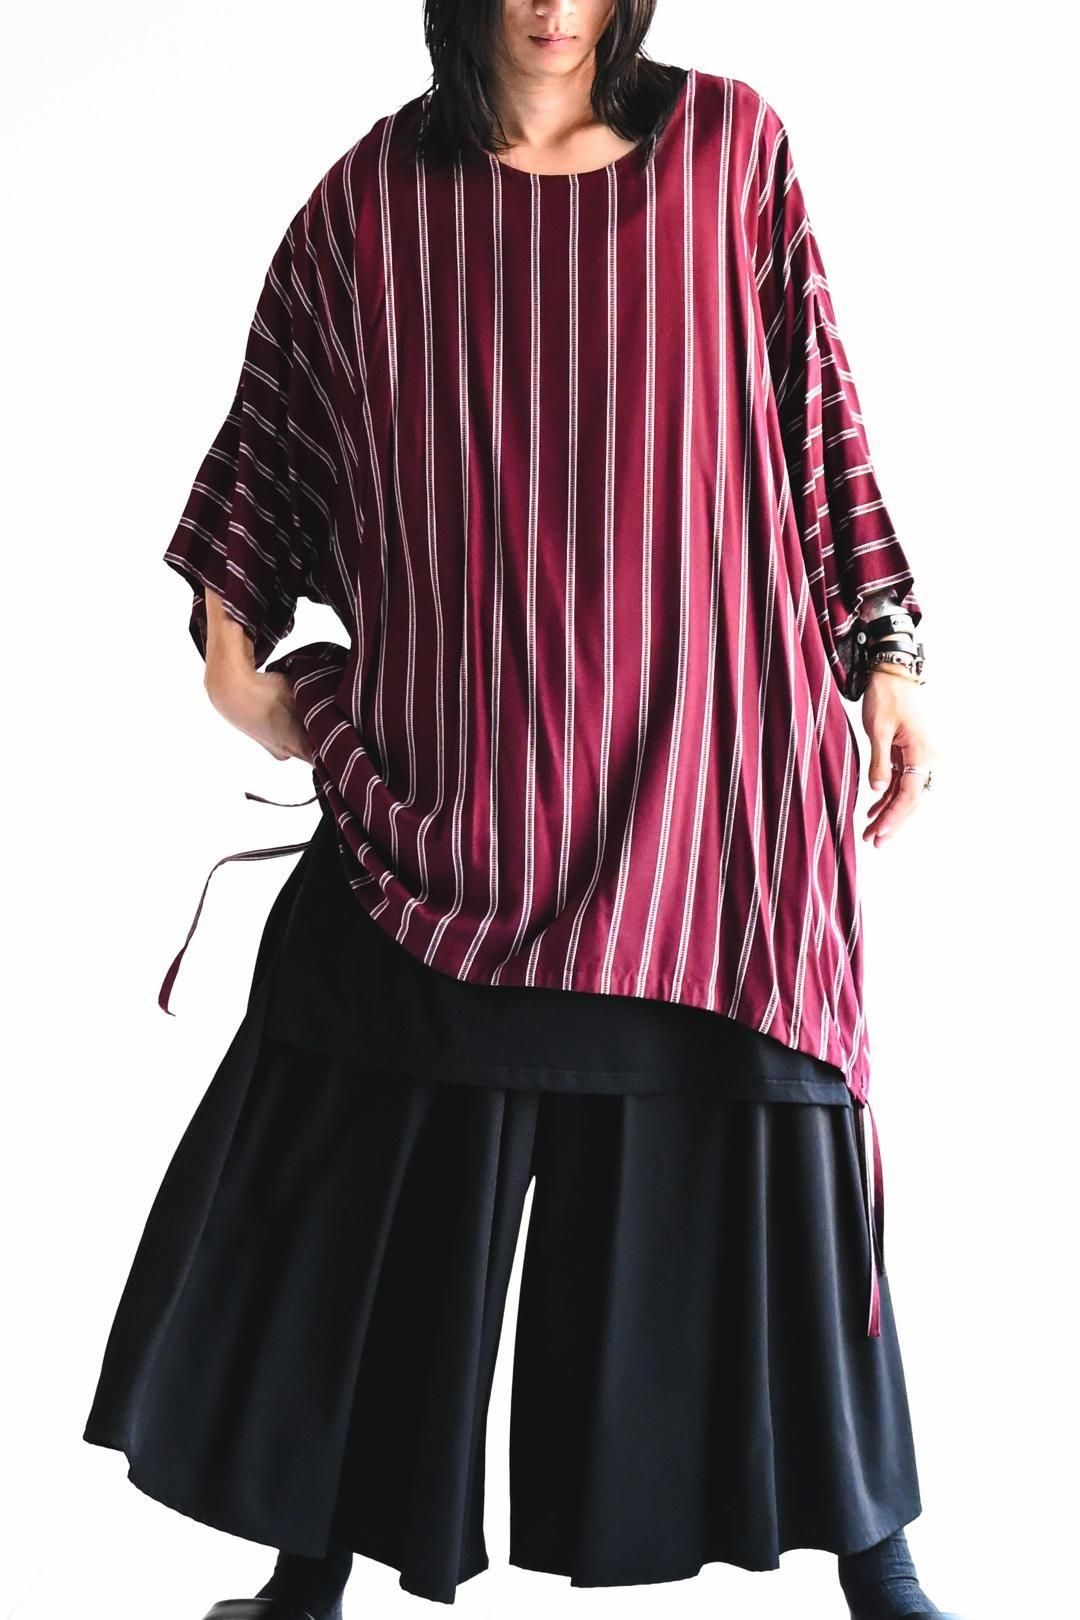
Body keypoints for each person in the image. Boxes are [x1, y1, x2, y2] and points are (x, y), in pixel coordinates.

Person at [82, 4, 964, 1618]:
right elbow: (272, 438)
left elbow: (817, 412)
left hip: (708, 781)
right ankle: (304, 1575)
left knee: (786, 1159)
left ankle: (880, 1569)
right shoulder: (377, 201)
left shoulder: (730, 148)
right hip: (457, 781)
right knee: (360, 1146)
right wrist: (230, 653)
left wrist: (886, 654)